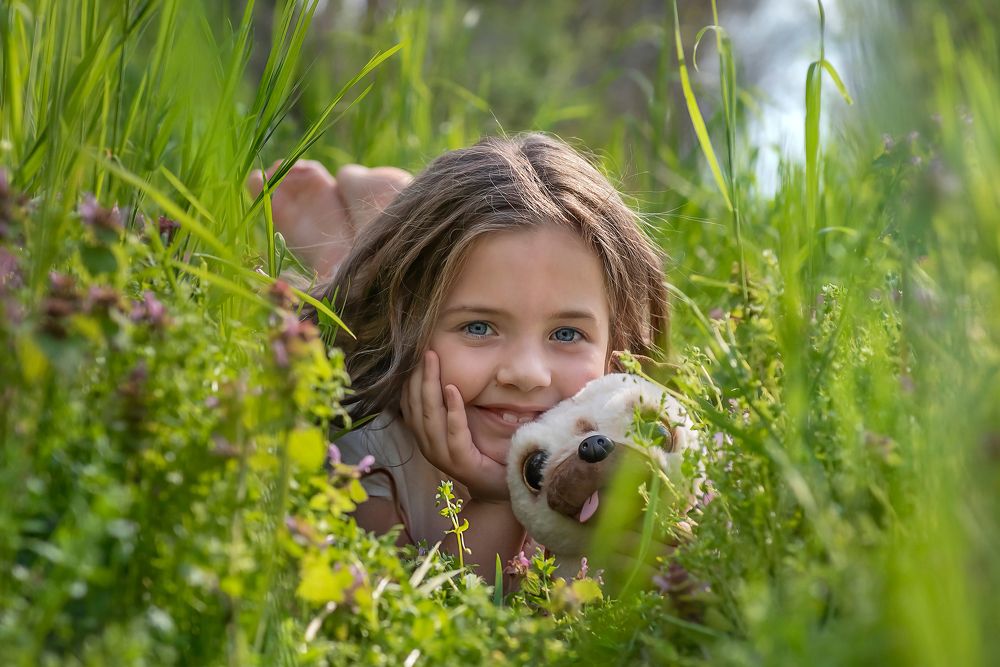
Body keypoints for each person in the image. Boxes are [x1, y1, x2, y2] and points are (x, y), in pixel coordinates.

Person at [250, 133, 669, 582]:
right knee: (353, 297)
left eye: (566, 334)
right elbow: (419, 609)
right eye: (479, 327)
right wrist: (500, 499)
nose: (526, 374)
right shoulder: (366, 451)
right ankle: (350, 252)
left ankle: (360, 226)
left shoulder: (623, 448)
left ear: (615, 343)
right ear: (403, 324)